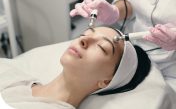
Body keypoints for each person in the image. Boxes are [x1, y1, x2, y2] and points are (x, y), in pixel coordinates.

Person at [0, 26, 151, 109]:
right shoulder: (13, 74)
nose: (84, 40)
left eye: (102, 47)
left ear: (105, 82)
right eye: (84, 34)